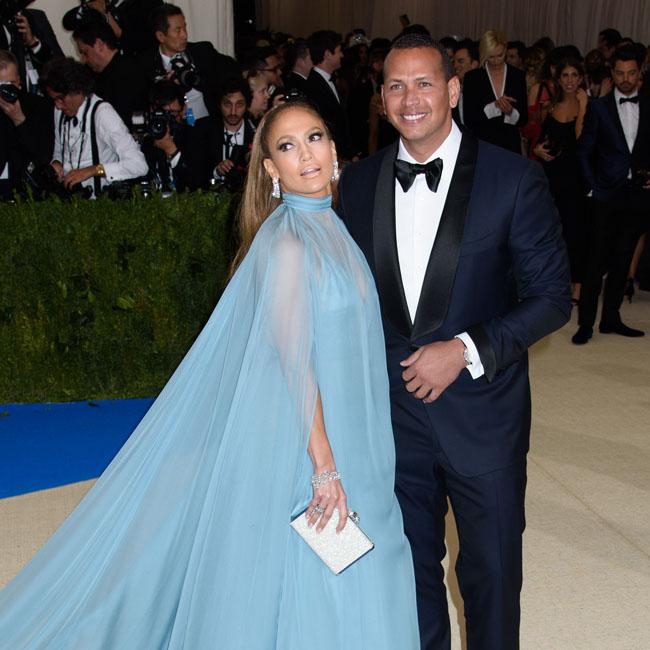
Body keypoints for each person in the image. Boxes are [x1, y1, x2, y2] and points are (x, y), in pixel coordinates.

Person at [0, 99, 420, 650]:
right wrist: (324, 466)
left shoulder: (333, 227)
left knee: (357, 556)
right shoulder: (288, 244)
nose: (306, 155)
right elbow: (294, 365)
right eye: (287, 146)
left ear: (334, 148)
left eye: (314, 137)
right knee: (317, 572)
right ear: (270, 169)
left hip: (355, 432)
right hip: (313, 443)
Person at [337, 33, 571, 649]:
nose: (409, 99)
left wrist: (464, 350)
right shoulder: (358, 184)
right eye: (395, 86)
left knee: (492, 574)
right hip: (392, 420)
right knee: (408, 577)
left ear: (452, 89)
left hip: (484, 415)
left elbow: (551, 298)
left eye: (423, 83)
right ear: (381, 96)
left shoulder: (513, 178)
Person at [573, 47, 650, 344]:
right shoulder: (599, 107)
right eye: (620, 73)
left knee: (623, 257)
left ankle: (611, 319)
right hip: (604, 195)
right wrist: (592, 186)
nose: (625, 79)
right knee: (595, 261)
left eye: (631, 73)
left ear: (639, 72)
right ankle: (586, 323)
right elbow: (584, 150)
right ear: (612, 73)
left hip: (637, 195)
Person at [42, 57, 147, 197]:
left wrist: (92, 170)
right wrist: (57, 163)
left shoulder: (103, 114)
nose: (58, 105)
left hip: (102, 202)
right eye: (54, 99)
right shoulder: (59, 111)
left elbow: (138, 165)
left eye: (61, 98)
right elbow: (59, 150)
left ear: (77, 90)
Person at [534, 58, 588, 303]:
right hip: (552, 177)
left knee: (576, 233)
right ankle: (556, 282)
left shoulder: (589, 107)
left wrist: (583, 104)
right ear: (559, 79)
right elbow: (541, 140)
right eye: (565, 75)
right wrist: (537, 150)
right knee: (553, 233)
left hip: (576, 179)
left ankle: (577, 285)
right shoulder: (551, 107)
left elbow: (581, 140)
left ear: (581, 78)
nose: (569, 80)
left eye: (574, 75)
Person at [140, 3, 240, 122]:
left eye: (185, 28)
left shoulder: (203, 51)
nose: (185, 35)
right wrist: (164, 87)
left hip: (207, 125)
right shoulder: (145, 64)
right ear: (161, 36)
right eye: (178, 30)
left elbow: (232, 70)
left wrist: (198, 80)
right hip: (172, 127)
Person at [141, 80, 219, 192]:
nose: (167, 121)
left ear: (184, 110)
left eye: (172, 114)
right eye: (162, 114)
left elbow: (197, 185)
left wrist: (172, 150)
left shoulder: (196, 137)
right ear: (152, 111)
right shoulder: (146, 142)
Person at [72, 18, 147, 129]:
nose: (84, 59)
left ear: (99, 44)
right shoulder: (93, 74)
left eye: (85, 53)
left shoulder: (130, 73)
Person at [463, 29, 528, 154]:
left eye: (500, 55)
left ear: (505, 50)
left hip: (510, 146)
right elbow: (469, 119)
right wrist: (494, 107)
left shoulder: (517, 76)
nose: (496, 61)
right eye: (491, 57)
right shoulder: (473, 78)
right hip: (483, 145)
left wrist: (510, 112)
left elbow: (524, 118)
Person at [0, 50, 53, 200]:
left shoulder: (38, 106)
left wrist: (20, 120)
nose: (6, 90)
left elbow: (43, 154)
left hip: (27, 192)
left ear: (19, 80)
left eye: (10, 84)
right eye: (1, 85)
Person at [304, 30, 354, 160]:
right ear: (327, 54)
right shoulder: (313, 87)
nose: (342, 55)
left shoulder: (329, 81)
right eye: (339, 51)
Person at [213, 77, 255, 190]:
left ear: (247, 105)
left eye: (239, 105)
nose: (233, 111)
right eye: (227, 104)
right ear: (219, 104)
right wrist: (216, 172)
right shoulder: (204, 131)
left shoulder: (255, 133)